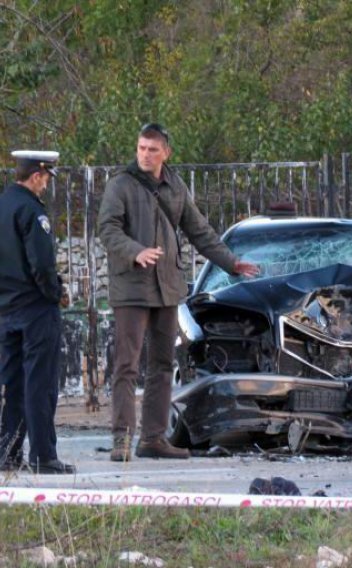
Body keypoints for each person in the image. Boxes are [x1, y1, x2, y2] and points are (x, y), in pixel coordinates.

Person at [98, 123, 258, 462]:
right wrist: (135, 251)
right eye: (141, 148)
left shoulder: (175, 186)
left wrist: (232, 263)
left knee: (162, 363)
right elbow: (107, 229)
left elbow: (199, 230)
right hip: (131, 288)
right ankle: (121, 440)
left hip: (167, 288)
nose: (145, 154)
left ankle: (152, 439)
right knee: (126, 366)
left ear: (166, 153)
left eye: (152, 149)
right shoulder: (120, 184)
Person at [0, 150, 76, 474]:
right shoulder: (32, 211)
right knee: (40, 384)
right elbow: (42, 265)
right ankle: (43, 455)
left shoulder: (3, 205)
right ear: (36, 175)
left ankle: (8, 452)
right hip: (35, 310)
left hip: (6, 310)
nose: (46, 185)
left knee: (14, 384)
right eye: (46, 178)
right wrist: (56, 293)